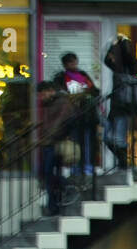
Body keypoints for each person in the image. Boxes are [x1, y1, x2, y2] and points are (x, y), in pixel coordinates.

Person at [52, 52, 100, 178]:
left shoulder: (83, 75)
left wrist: (85, 95)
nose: (73, 64)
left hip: (87, 115)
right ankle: (76, 169)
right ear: (65, 64)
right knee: (75, 144)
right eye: (69, 62)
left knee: (87, 143)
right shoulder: (61, 78)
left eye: (74, 61)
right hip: (72, 116)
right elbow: (59, 95)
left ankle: (88, 167)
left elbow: (94, 91)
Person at [103, 34, 137, 170]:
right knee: (109, 137)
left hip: (122, 107)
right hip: (117, 107)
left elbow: (122, 57)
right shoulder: (119, 67)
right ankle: (123, 162)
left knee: (117, 139)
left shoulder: (128, 67)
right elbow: (106, 60)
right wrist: (115, 44)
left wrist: (120, 42)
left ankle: (123, 164)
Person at [36, 81, 73, 214]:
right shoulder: (50, 104)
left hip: (56, 142)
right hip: (50, 142)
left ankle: (62, 193)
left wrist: (50, 136)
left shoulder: (62, 102)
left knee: (49, 173)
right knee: (49, 174)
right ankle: (55, 203)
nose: (41, 97)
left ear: (50, 90)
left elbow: (60, 122)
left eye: (42, 94)